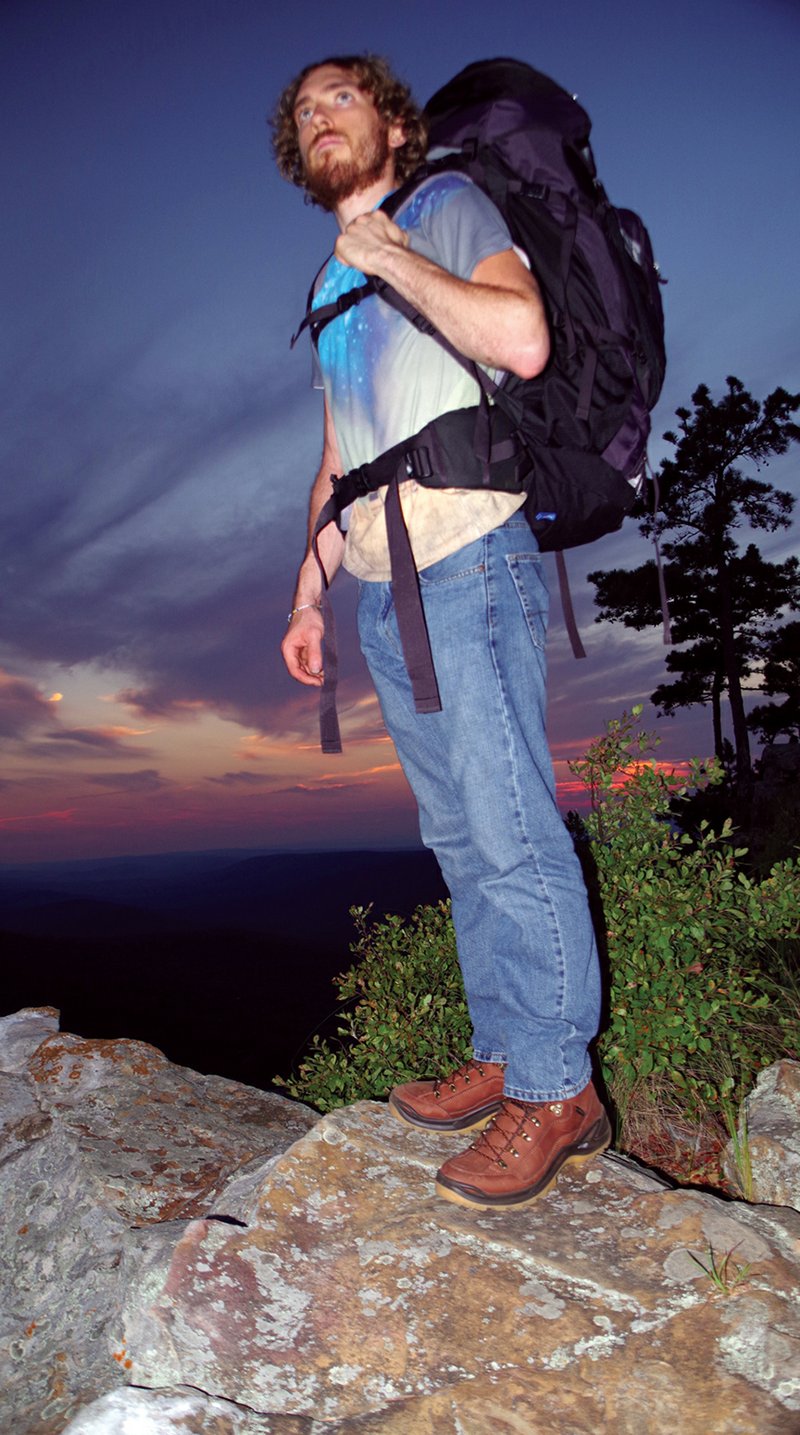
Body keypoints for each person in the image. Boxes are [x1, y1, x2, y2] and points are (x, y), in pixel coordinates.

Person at [272, 54, 610, 1210]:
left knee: (509, 827)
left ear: (391, 123)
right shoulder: (329, 285)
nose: (321, 118)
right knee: (461, 843)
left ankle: (559, 1088)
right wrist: (307, 591)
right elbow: (336, 455)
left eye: (341, 99)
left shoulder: (443, 209)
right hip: (381, 588)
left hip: (469, 560)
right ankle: (511, 1051)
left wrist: (397, 255)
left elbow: (521, 340)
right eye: (305, 111)